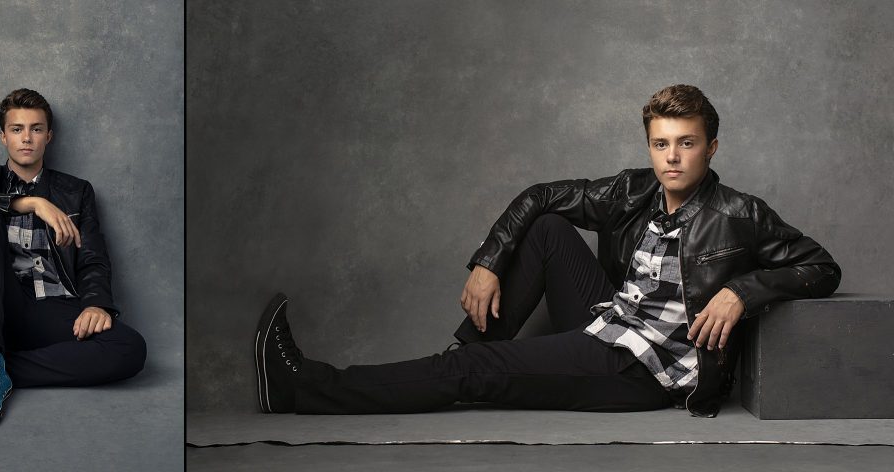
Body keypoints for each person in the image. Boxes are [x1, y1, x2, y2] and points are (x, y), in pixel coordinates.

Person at [254, 84, 840, 418]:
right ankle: (455, 365)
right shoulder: (637, 189)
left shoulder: (740, 213)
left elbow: (821, 266)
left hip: (645, 369)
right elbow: (541, 197)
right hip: (609, 322)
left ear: (711, 147)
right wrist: (487, 261)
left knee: (473, 371)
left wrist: (742, 289)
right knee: (548, 229)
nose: (672, 158)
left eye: (686, 143)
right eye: (661, 143)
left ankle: (304, 387)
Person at [0, 89, 147, 431]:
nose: (26, 138)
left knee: (129, 348)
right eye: (16, 129)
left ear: (49, 135)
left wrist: (96, 304)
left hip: (53, 307)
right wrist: (29, 203)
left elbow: (92, 257)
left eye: (35, 128)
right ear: (3, 136)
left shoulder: (77, 191)